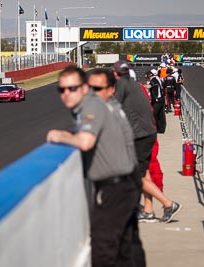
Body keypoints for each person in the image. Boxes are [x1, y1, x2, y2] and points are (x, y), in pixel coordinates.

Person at [47, 65, 145, 267]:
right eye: (61, 89)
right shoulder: (101, 105)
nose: (66, 94)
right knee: (126, 248)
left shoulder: (91, 106)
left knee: (103, 248)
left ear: (84, 88)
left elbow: (85, 142)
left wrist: (59, 135)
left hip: (115, 188)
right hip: (125, 183)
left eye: (72, 88)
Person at [113, 61, 181, 223]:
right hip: (148, 133)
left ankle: (168, 203)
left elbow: (112, 108)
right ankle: (148, 211)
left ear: (116, 74)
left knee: (137, 175)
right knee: (145, 173)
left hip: (141, 136)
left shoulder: (122, 84)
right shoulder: (135, 85)